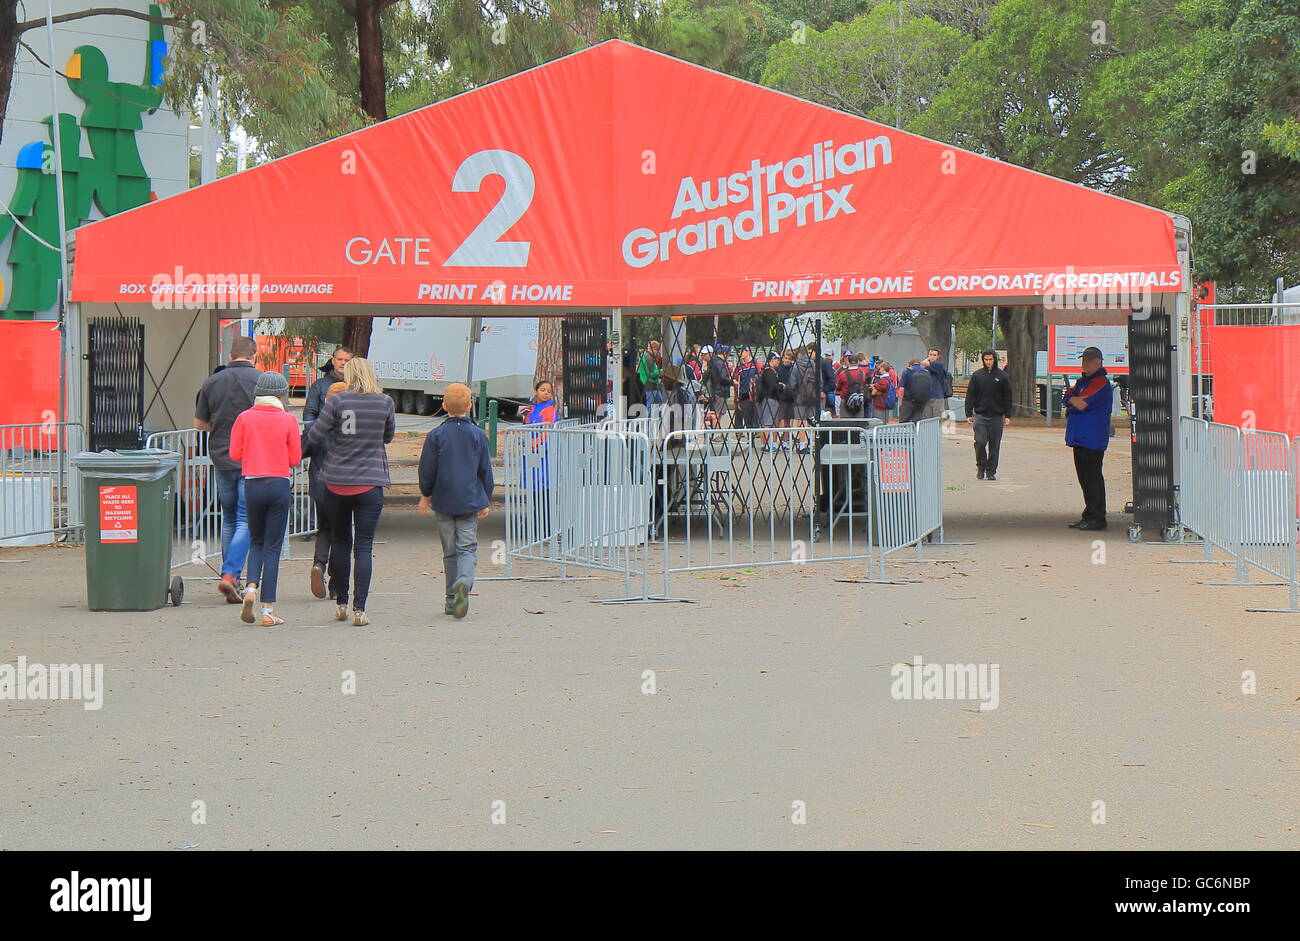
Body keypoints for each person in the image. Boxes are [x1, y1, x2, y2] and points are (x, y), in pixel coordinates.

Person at [304, 357, 396, 626]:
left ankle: (341, 603)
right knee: (364, 547)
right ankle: (360, 609)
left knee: (341, 542)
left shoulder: (336, 401)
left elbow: (317, 433)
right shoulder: (385, 402)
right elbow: (388, 436)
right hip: (369, 481)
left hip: (336, 481)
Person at [228, 370, 302, 626]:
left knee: (256, 542)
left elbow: (235, 453)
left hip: (253, 484)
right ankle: (267, 611)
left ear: (258, 393)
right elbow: (295, 459)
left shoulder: (244, 418)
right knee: (273, 547)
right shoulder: (288, 420)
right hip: (279, 484)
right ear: (282, 394)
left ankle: (250, 587)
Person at [194, 336, 261, 603]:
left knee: (229, 517)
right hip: (252, 457)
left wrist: (220, 428)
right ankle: (231, 575)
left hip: (221, 455)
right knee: (246, 518)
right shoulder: (261, 380)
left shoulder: (211, 382)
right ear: (253, 355)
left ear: (230, 354)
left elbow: (200, 423)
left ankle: (230, 575)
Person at [418, 383, 494, 620]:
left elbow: (427, 469)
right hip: (470, 499)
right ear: (470, 405)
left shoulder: (436, 435)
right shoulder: (478, 435)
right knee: (467, 547)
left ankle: (451, 599)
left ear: (443, 405)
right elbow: (485, 470)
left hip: (443, 499)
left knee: (449, 550)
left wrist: (425, 494)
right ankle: (464, 581)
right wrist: (486, 498)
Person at [302, 380, 346, 599]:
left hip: (320, 484)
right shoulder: (351, 426)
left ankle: (319, 564)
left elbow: (301, 451)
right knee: (341, 534)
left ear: (327, 401)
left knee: (324, 528)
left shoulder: (316, 426)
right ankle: (336, 584)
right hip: (345, 485)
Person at [1064, 346, 1114, 531]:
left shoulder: (1100, 382)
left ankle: (1097, 517)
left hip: (1092, 438)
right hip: (1080, 437)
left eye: (1087, 361)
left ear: (1098, 363)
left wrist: (1073, 401)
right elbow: (1068, 396)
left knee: (1092, 477)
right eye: (1083, 360)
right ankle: (1089, 514)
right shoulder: (1081, 382)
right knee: (1084, 478)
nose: (1084, 364)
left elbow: (1081, 403)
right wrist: (1072, 401)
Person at [964, 350, 1012, 480]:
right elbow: (970, 395)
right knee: (980, 442)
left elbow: (1007, 396)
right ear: (983, 360)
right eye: (986, 360)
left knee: (994, 445)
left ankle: (991, 471)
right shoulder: (977, 375)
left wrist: (1007, 415)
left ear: (994, 360)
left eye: (991, 359)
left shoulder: (1002, 376)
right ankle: (981, 466)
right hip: (980, 415)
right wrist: (968, 412)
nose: (988, 362)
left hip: (997, 416)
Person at [303, 346, 353, 422]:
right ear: (333, 361)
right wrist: (312, 432)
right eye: (339, 359)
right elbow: (309, 413)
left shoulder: (356, 385)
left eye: (347, 360)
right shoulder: (319, 385)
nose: (343, 363)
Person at [789, 345, 820, 452]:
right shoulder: (814, 364)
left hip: (799, 398)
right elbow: (819, 381)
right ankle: (813, 444)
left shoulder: (796, 366)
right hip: (812, 397)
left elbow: (792, 384)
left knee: (801, 422)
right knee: (812, 421)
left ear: (799, 354)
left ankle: (802, 445)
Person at [701, 345, 732, 427]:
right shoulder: (719, 363)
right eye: (728, 354)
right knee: (717, 415)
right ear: (724, 354)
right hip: (720, 391)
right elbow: (723, 378)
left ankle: (713, 432)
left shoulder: (713, 362)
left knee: (716, 413)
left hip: (714, 391)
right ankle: (716, 435)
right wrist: (731, 381)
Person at [836, 352, 872, 418]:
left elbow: (838, 387)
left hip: (845, 400)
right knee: (858, 424)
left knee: (846, 425)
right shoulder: (862, 373)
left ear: (848, 362)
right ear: (858, 362)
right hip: (859, 400)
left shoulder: (843, 374)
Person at [898, 356, 932, 423]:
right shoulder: (926, 372)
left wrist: (901, 401)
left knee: (903, 422)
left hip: (908, 401)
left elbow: (901, 388)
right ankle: (916, 433)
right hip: (921, 402)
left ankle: (906, 434)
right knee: (917, 422)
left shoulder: (907, 371)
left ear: (910, 364)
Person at [733, 348, 760, 431]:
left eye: (741, 351)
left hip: (755, 396)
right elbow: (735, 380)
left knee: (755, 419)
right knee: (747, 420)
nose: (739, 353)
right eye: (738, 351)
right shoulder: (740, 367)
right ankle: (749, 437)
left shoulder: (756, 363)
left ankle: (755, 433)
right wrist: (736, 398)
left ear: (748, 352)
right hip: (744, 397)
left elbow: (761, 376)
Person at [925, 347, 953, 420]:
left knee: (937, 419)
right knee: (927, 419)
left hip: (937, 396)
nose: (932, 356)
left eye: (934, 355)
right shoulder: (927, 368)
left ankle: (937, 431)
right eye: (930, 354)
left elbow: (923, 362)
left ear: (938, 357)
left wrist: (927, 359)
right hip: (927, 396)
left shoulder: (939, 364)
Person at [638, 340, 663, 407]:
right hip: (649, 385)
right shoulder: (648, 358)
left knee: (659, 401)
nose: (658, 353)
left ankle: (655, 416)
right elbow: (651, 373)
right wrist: (661, 371)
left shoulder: (647, 356)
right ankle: (650, 417)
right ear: (654, 349)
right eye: (658, 350)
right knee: (651, 405)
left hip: (649, 385)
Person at [817, 345, 838, 417]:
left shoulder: (835, 364)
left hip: (827, 391)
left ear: (833, 356)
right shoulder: (823, 362)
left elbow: (832, 380)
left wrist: (824, 390)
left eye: (829, 355)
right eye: (826, 355)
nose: (827, 357)